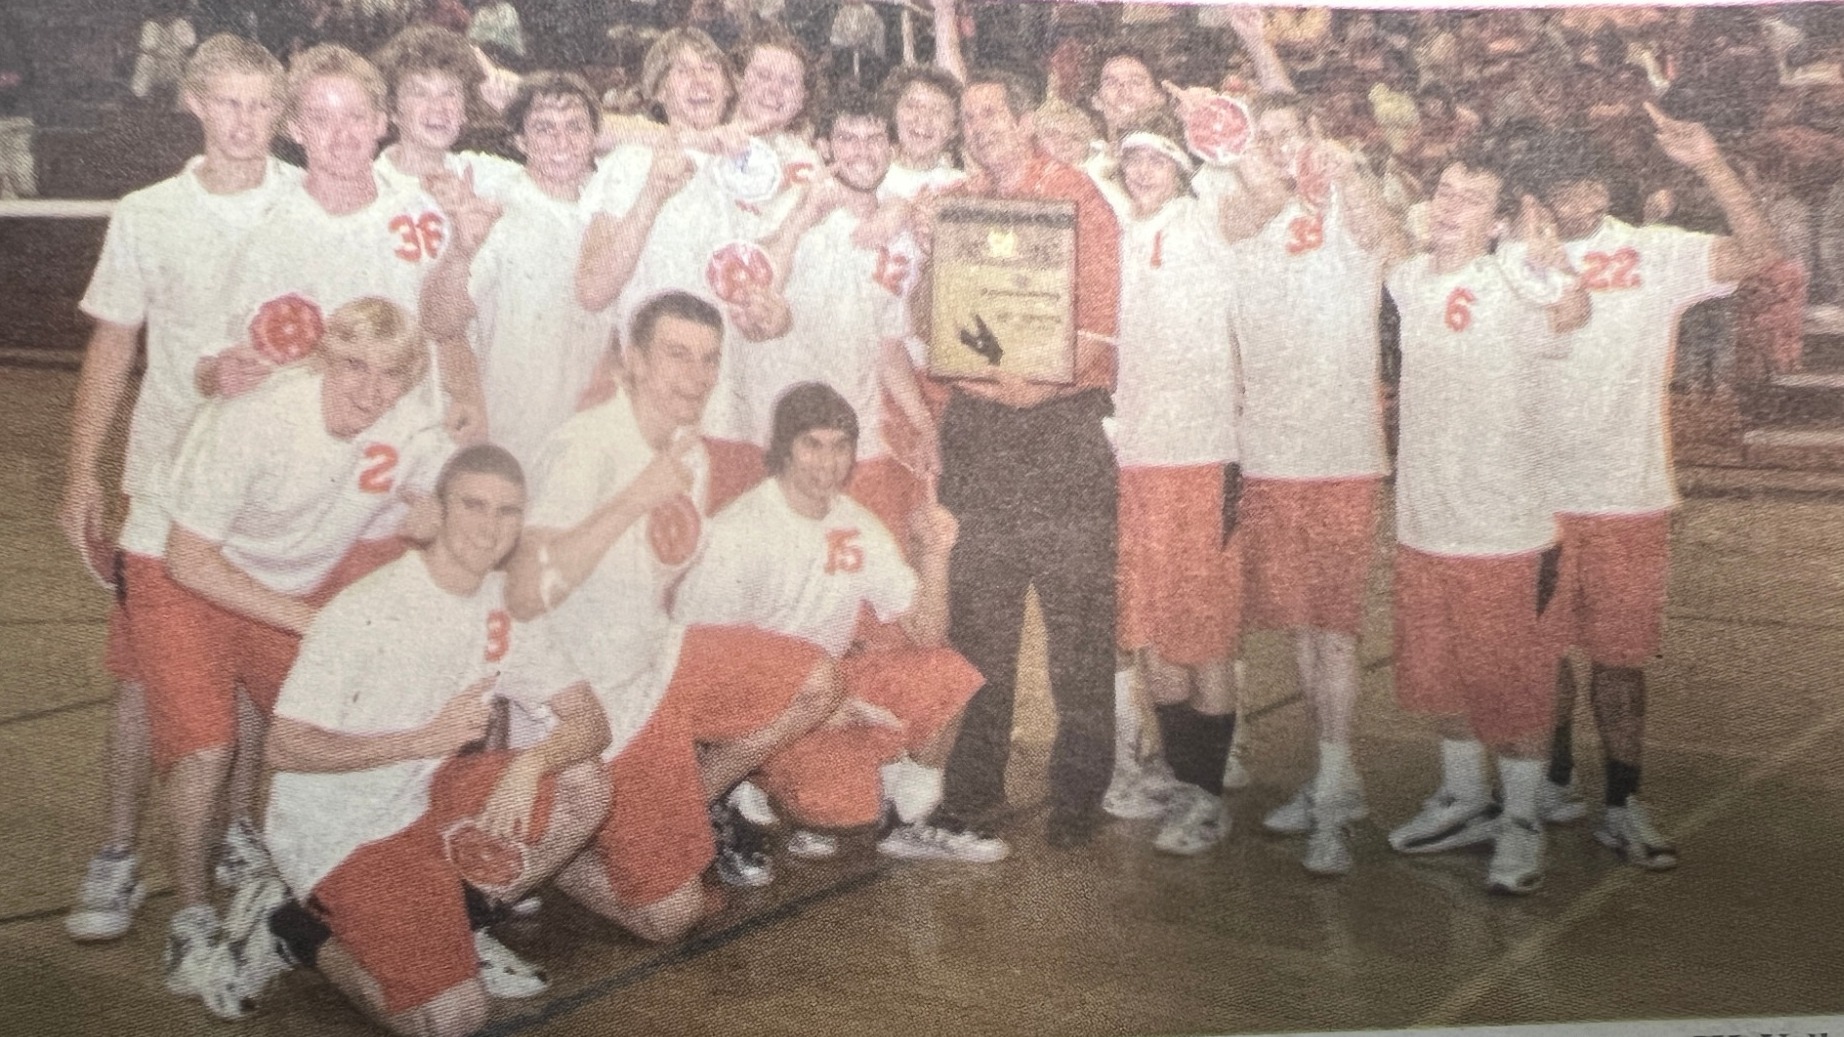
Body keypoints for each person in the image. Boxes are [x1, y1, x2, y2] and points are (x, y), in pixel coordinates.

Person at [141, 298, 455, 1014]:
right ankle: (190, 921)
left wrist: (435, 518)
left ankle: (336, 898)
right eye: (353, 366)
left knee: (348, 725)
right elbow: (188, 558)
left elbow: (440, 497)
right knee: (205, 749)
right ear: (321, 358)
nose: (369, 390)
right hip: (181, 567)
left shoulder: (404, 419)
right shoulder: (259, 418)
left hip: (281, 580)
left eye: (389, 375)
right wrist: (313, 622)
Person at [59, 34, 300, 946]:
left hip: (274, 495)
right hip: (165, 489)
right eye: (227, 103)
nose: (245, 123)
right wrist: (82, 471)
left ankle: (238, 837)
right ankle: (116, 849)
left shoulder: (307, 205)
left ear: (281, 114)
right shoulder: (147, 212)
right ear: (194, 104)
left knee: (246, 671)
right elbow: (113, 343)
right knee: (141, 684)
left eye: (261, 106)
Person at [240, 445, 612, 1036]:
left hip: (423, 798)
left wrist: (529, 765)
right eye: (473, 505)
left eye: (507, 512)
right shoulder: (369, 607)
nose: (488, 527)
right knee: (453, 1021)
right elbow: (284, 748)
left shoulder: (502, 610)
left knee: (582, 781)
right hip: (338, 826)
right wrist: (421, 741)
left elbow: (592, 721)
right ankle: (297, 932)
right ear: (438, 510)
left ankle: (460, 927)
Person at [503, 291, 842, 938]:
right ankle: (560, 854)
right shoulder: (587, 445)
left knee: (817, 681)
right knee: (672, 915)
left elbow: (660, 587)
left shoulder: (694, 453)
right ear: (632, 360)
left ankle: (683, 799)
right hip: (586, 699)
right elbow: (523, 593)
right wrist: (632, 498)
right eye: (676, 355)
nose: (696, 376)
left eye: (710, 360)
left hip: (654, 658)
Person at [1523, 108, 1777, 869]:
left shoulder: (1651, 252)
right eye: (1551, 189)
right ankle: (1553, 782)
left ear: (1603, 189)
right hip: (1530, 500)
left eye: (1581, 183)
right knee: (1541, 657)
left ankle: (1623, 801)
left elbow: (1760, 252)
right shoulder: (1508, 260)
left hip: (1628, 494)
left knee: (1619, 659)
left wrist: (1710, 162)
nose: (1569, 200)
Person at [674, 382, 1006, 863]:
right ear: (783, 447)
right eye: (812, 445)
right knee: (840, 808)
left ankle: (907, 821)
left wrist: (936, 554)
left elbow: (925, 631)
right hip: (759, 706)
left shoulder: (857, 524)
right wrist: (823, 709)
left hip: (828, 687)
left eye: (840, 447)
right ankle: (739, 797)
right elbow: (702, 667)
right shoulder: (740, 529)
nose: (827, 463)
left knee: (944, 672)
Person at [922, 68, 1122, 849]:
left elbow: (1099, 331)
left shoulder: (1079, 196)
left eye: (992, 112)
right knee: (980, 624)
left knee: (1077, 626)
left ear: (1028, 118)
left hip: (1060, 432)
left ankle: (1078, 794)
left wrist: (1029, 388)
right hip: (982, 431)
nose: (980, 127)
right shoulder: (954, 207)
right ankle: (971, 791)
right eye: (968, 117)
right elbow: (936, 326)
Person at [1382, 151, 1589, 895]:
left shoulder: (1512, 281)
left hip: (1505, 532)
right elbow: (1381, 231)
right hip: (1423, 526)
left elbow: (1570, 311)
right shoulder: (1409, 280)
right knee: (1442, 684)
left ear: (1499, 223)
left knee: (1515, 690)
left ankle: (1524, 819)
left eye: (1471, 200)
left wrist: (1553, 263)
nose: (1449, 206)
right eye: (1444, 191)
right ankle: (1467, 801)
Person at [1225, 89, 1408, 877]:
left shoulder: (1350, 204)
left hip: (1340, 453)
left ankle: (1334, 786)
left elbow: (1389, 239)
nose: (1276, 149)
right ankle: (1336, 774)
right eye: (1260, 139)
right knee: (1302, 630)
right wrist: (1254, 171)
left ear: (1314, 137)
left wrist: (1342, 171)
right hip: (1269, 454)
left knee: (1334, 630)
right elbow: (1235, 223)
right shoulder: (1239, 218)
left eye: (1288, 136)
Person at [574, 28, 793, 511]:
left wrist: (777, 316)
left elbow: (766, 300)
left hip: (734, 411)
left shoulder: (760, 171)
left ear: (730, 85)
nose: (698, 80)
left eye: (709, 67)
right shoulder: (630, 162)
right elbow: (593, 287)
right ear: (657, 91)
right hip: (646, 410)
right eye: (681, 69)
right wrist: (653, 191)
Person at [1105, 113, 1247, 856]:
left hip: (1201, 458)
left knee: (1205, 634)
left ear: (1181, 165)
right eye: (1131, 159)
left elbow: (1248, 188)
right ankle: (1186, 778)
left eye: (1156, 158)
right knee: (1153, 632)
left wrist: (1219, 131)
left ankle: (1209, 792)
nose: (1141, 171)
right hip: (1137, 459)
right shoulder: (1123, 232)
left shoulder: (1207, 216)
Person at [213, 42, 476, 439]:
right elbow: (216, 356)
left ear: (380, 122)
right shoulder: (263, 230)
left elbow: (450, 334)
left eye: (355, 116)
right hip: (303, 449)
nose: (342, 135)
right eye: (321, 119)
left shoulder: (429, 212)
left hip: (408, 444)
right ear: (294, 128)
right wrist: (220, 372)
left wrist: (472, 401)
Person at [753, 88, 937, 539]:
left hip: (863, 433)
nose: (862, 152)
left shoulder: (902, 231)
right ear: (824, 147)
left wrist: (925, 425)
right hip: (793, 435)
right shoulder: (791, 205)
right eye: (848, 139)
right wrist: (803, 215)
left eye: (874, 139)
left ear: (892, 148)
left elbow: (889, 344)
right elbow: (757, 293)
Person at [420, 71, 617, 467]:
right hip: (513, 435)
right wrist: (460, 250)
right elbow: (440, 322)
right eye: (544, 129)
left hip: (593, 433)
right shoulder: (498, 207)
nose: (562, 142)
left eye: (575, 127)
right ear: (520, 141)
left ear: (596, 137)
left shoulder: (613, 206)